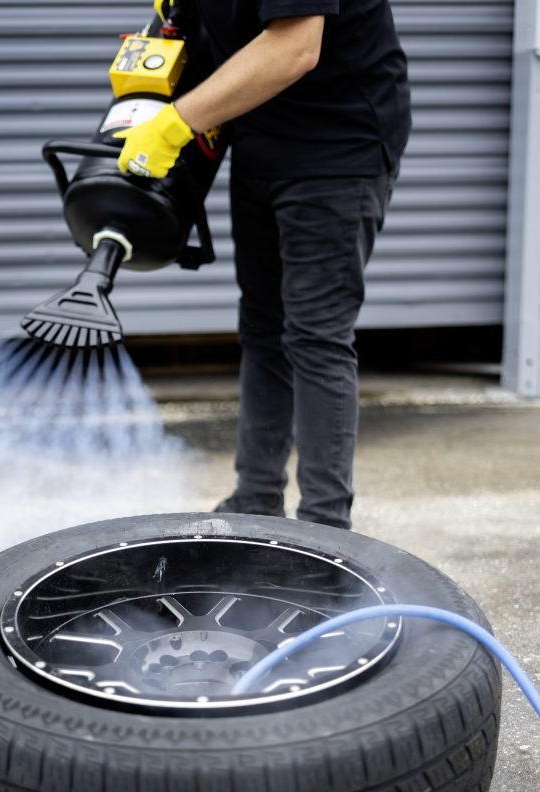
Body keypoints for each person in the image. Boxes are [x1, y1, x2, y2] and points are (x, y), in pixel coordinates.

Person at [117, 0, 411, 528]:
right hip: (260, 137)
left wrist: (174, 124)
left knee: (315, 335)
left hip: (338, 147)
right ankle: (255, 500)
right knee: (262, 326)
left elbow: (295, 47)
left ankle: (326, 528)